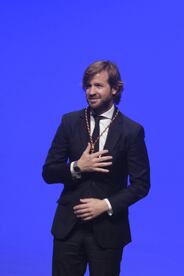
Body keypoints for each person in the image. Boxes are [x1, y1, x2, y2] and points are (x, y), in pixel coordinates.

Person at [42, 60, 150, 276]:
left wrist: (106, 205)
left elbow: (141, 185)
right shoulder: (69, 122)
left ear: (115, 88)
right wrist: (77, 167)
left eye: (98, 85)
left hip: (108, 230)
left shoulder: (132, 131)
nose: (91, 91)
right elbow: (48, 172)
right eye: (88, 86)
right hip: (68, 228)